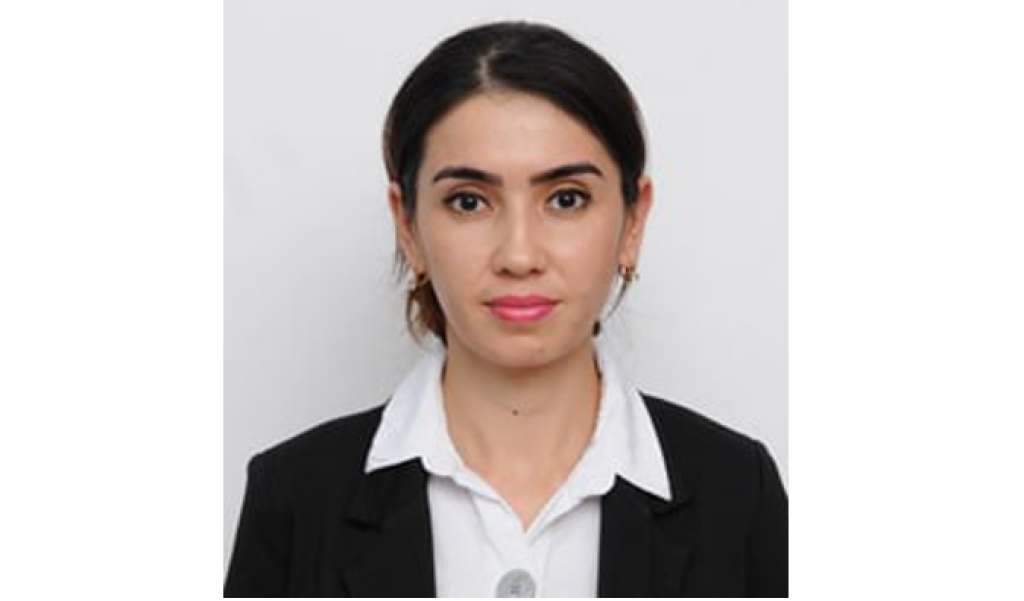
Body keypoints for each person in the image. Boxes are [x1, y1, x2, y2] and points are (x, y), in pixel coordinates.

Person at [225, 20, 787, 598]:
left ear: (633, 222)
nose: (519, 256)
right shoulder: (294, 496)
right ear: (408, 226)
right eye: (469, 202)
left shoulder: (738, 491)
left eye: (566, 199)